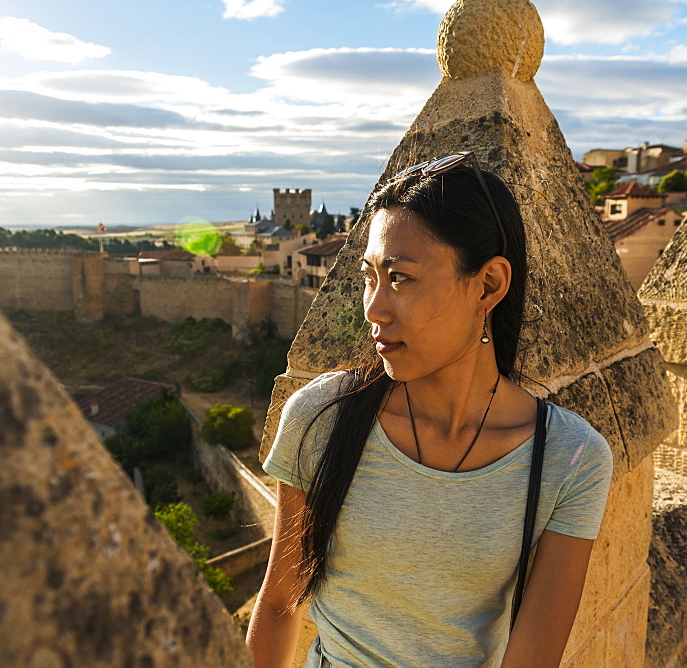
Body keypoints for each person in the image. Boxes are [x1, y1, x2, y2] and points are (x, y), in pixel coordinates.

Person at [246, 153, 613, 667]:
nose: (373, 308)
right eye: (369, 276)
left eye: (400, 278)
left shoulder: (568, 459)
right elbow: (282, 604)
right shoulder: (321, 415)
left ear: (488, 285)